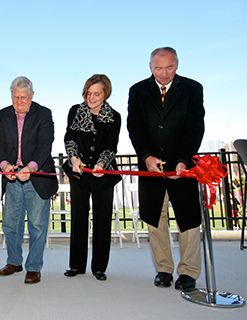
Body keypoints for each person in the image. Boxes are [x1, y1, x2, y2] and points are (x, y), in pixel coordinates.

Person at [127, 47, 205, 290]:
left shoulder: (192, 89)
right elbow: (135, 127)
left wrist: (183, 159)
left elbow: (195, 127)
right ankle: (164, 269)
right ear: (150, 67)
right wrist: (146, 156)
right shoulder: (138, 91)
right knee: (155, 218)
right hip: (151, 167)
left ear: (177, 65)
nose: (163, 73)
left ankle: (189, 271)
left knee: (188, 220)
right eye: (158, 68)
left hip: (182, 165)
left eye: (169, 67)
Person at [0, 76, 58, 284]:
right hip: (12, 176)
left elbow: (44, 147)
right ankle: (14, 261)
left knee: (38, 225)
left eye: (24, 97)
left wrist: (30, 167)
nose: (19, 102)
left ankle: (33, 267)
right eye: (15, 97)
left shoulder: (44, 114)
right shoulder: (2, 116)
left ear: (32, 95)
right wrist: (4, 166)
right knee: (11, 224)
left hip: (36, 176)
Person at [63, 74, 121, 281]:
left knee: (102, 219)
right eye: (89, 93)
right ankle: (77, 265)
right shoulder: (75, 111)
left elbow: (111, 146)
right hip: (79, 172)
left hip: (103, 173)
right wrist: (74, 158)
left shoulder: (114, 116)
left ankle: (99, 267)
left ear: (106, 94)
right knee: (79, 217)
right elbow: (69, 138)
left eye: (97, 94)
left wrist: (102, 164)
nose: (92, 97)